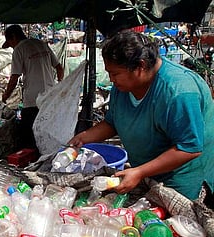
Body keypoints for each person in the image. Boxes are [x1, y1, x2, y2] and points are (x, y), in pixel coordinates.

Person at [68, 30, 214, 201]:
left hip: (182, 179)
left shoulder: (178, 92)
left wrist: (140, 172)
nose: (111, 79)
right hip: (146, 172)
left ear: (141, 66)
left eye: (115, 74)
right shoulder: (122, 88)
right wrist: (83, 138)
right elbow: (112, 122)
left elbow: (189, 148)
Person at [1, 24, 64, 152]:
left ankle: (33, 161)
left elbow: (14, 77)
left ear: (13, 37)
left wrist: (5, 96)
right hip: (49, 97)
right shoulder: (42, 44)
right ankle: (49, 154)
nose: (12, 47)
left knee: (30, 136)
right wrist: (58, 85)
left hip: (32, 101)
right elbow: (59, 68)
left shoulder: (19, 49)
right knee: (48, 130)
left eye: (10, 43)